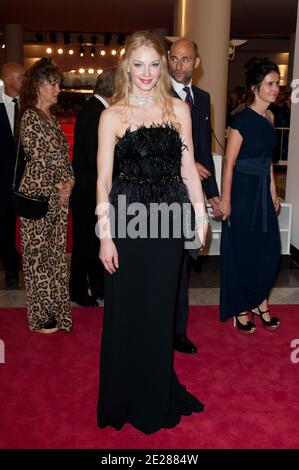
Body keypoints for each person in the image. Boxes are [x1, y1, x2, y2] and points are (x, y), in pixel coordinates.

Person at [96, 31, 209, 434]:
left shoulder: (179, 110)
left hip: (168, 221)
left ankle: (155, 389)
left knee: (160, 310)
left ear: (163, 66)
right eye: (138, 64)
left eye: (154, 64)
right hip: (127, 221)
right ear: (127, 66)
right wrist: (105, 236)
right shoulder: (112, 115)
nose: (147, 73)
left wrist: (200, 217)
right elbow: (103, 180)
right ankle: (124, 393)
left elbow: (188, 168)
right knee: (127, 310)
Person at [220, 58, 281, 333]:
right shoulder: (241, 121)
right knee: (243, 250)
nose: (275, 88)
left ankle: (259, 300)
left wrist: (273, 193)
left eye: (277, 83)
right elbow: (229, 164)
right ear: (255, 87)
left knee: (268, 251)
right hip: (243, 193)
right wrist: (225, 199)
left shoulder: (270, 118)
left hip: (262, 194)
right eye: (270, 83)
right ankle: (243, 308)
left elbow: (267, 161)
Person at [168, 38, 221, 354]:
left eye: (185, 59)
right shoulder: (157, 96)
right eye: (173, 58)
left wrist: (212, 193)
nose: (178, 65)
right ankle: (160, 328)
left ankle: (177, 331)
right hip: (164, 194)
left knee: (185, 266)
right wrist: (186, 164)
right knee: (167, 266)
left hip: (193, 197)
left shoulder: (202, 99)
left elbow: (203, 149)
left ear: (196, 63)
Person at [19, 57, 74, 333]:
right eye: (53, 83)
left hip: (57, 200)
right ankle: (40, 316)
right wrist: (60, 185)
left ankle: (57, 310)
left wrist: (69, 182)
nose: (57, 89)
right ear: (38, 85)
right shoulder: (29, 115)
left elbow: (62, 157)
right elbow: (39, 159)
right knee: (37, 258)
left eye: (58, 84)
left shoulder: (51, 118)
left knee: (55, 257)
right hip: (38, 199)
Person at [69, 67, 116, 307]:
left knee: (92, 241)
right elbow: (94, 158)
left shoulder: (95, 110)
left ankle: (97, 287)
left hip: (87, 189)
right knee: (85, 245)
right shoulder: (97, 113)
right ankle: (78, 290)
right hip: (89, 191)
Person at [0, 63, 25, 289]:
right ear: (8, 79)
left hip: (26, 181)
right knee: (5, 227)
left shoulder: (28, 107)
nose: (24, 81)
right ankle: (10, 269)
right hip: (2, 181)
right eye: (20, 77)